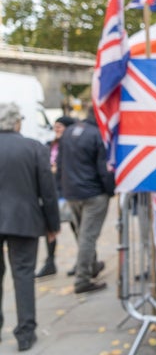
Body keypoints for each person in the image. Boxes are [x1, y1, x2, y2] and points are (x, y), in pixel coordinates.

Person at [0, 102, 60, 351]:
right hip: (24, 219)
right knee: (23, 275)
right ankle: (25, 333)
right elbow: (48, 191)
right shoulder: (33, 148)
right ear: (17, 122)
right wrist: (52, 224)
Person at [57, 107, 115, 294]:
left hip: (72, 192)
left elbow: (59, 164)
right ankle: (82, 278)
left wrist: (63, 188)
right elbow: (103, 168)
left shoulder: (69, 133)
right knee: (87, 236)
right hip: (93, 193)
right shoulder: (97, 134)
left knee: (83, 234)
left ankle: (91, 266)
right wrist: (110, 191)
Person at [35, 115, 76, 278]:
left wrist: (57, 169)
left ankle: (87, 260)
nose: (57, 129)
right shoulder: (48, 145)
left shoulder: (72, 145)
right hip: (52, 192)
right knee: (50, 228)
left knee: (77, 227)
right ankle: (50, 262)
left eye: (61, 126)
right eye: (55, 126)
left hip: (68, 191)